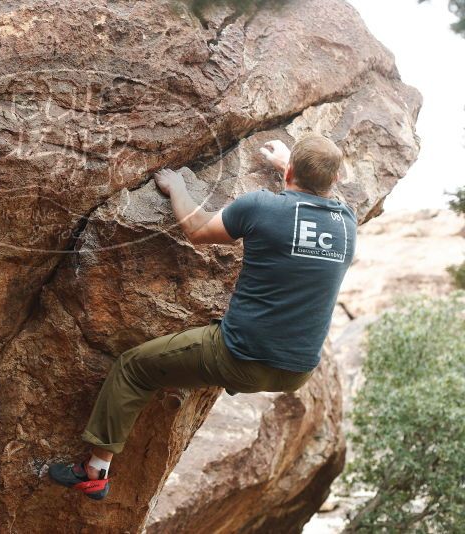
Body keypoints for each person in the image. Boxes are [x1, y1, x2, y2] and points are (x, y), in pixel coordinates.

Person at [48, 134, 357, 500]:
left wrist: (178, 187)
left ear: (290, 171)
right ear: (335, 180)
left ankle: (93, 472)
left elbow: (197, 230)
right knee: (203, 359)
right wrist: (293, 167)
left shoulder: (262, 207)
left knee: (132, 369)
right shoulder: (346, 224)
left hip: (240, 355)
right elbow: (314, 201)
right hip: (297, 371)